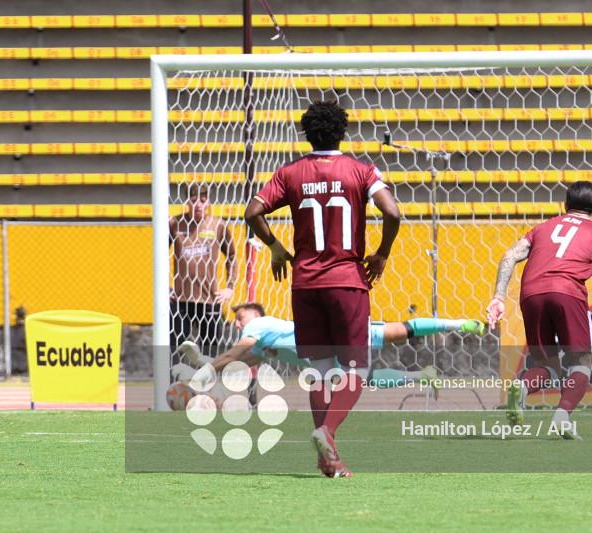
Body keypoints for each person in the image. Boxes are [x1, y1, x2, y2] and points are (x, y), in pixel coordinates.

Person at [244, 100, 401, 477]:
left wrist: (277, 247)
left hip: (305, 283)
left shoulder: (290, 172)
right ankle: (326, 433)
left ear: (306, 133)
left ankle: (326, 459)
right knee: (356, 370)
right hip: (346, 281)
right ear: (343, 131)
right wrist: (380, 254)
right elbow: (393, 213)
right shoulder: (361, 171)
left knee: (320, 370)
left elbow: (252, 212)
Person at [485, 181, 592, 440]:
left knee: (547, 366)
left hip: (531, 294)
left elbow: (509, 256)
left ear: (565, 206)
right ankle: (562, 417)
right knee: (581, 363)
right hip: (568, 293)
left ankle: (521, 386)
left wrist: (499, 296)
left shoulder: (542, 228)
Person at [171, 301, 486, 391]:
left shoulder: (259, 325)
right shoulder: (265, 341)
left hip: (330, 338)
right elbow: (237, 365)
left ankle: (461, 323)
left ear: (254, 314)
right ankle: (422, 377)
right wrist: (200, 362)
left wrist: (204, 372)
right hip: (324, 356)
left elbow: (233, 355)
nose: (237, 323)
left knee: (398, 331)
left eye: (239, 317)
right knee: (360, 378)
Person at [169, 183, 237, 357]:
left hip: (209, 298)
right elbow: (158, 254)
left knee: (210, 349)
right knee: (176, 348)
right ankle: (175, 383)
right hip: (180, 298)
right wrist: (164, 288)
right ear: (186, 201)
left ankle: (208, 383)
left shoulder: (217, 225)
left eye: (202, 200)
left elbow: (232, 256)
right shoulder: (175, 223)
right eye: (194, 200)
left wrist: (230, 287)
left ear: (208, 203)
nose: (198, 204)